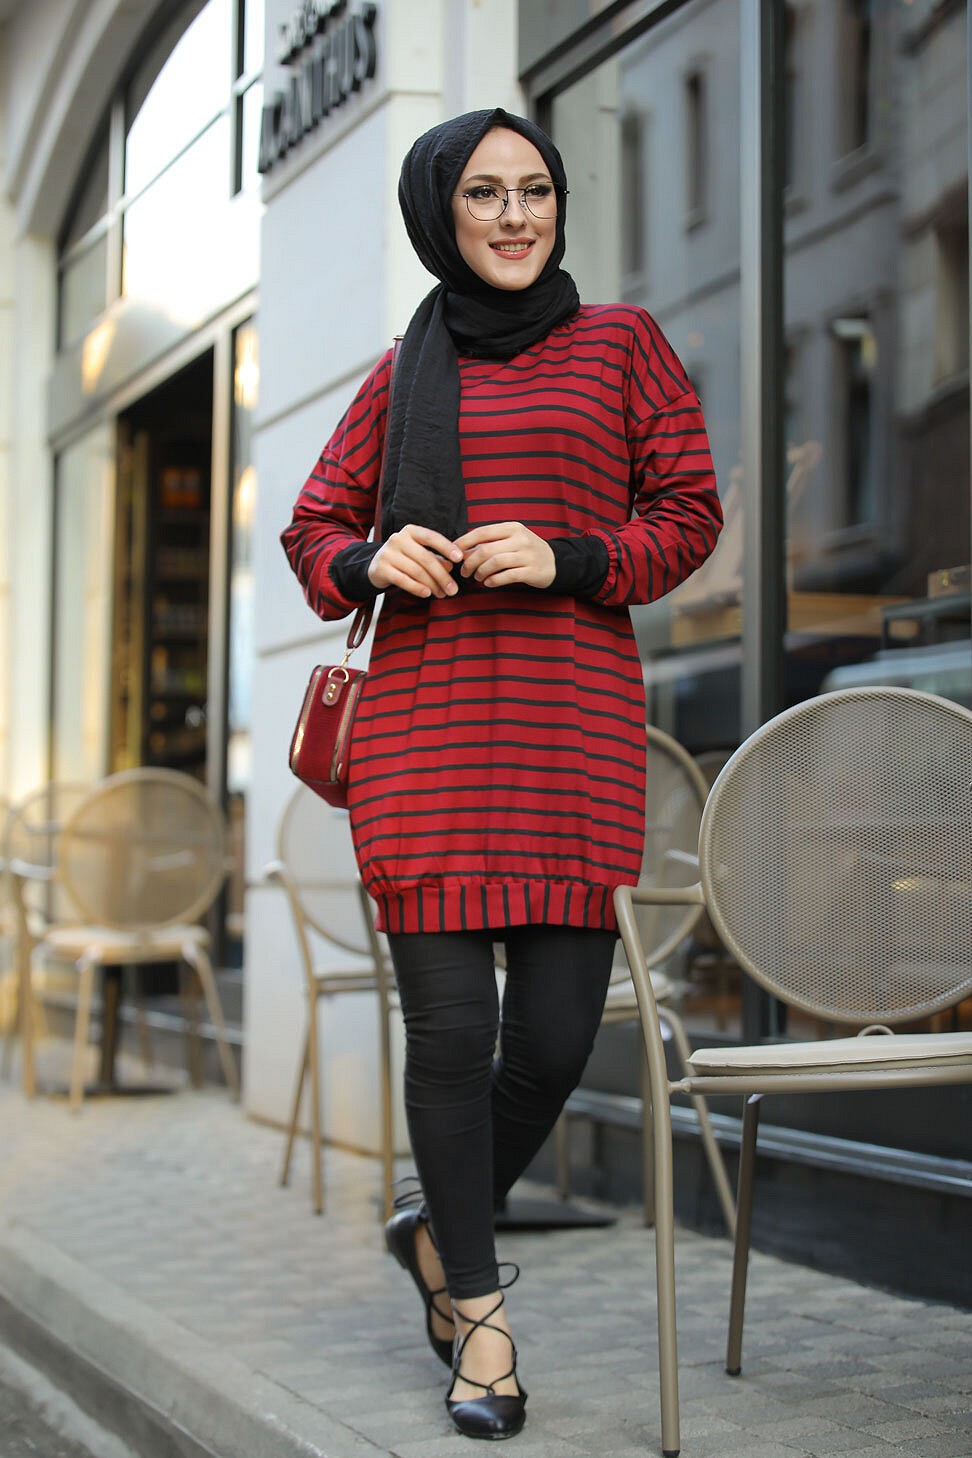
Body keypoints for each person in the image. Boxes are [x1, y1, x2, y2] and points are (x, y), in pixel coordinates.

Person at [282, 106, 722, 1441]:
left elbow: (690, 513)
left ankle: (432, 1224)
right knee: (453, 1040)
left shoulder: (625, 344)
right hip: (424, 738)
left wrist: (571, 556)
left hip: (571, 736)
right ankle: (478, 1320)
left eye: (535, 188)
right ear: (443, 214)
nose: (516, 214)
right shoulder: (398, 373)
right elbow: (312, 529)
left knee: (553, 1042)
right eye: (485, 193)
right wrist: (370, 558)